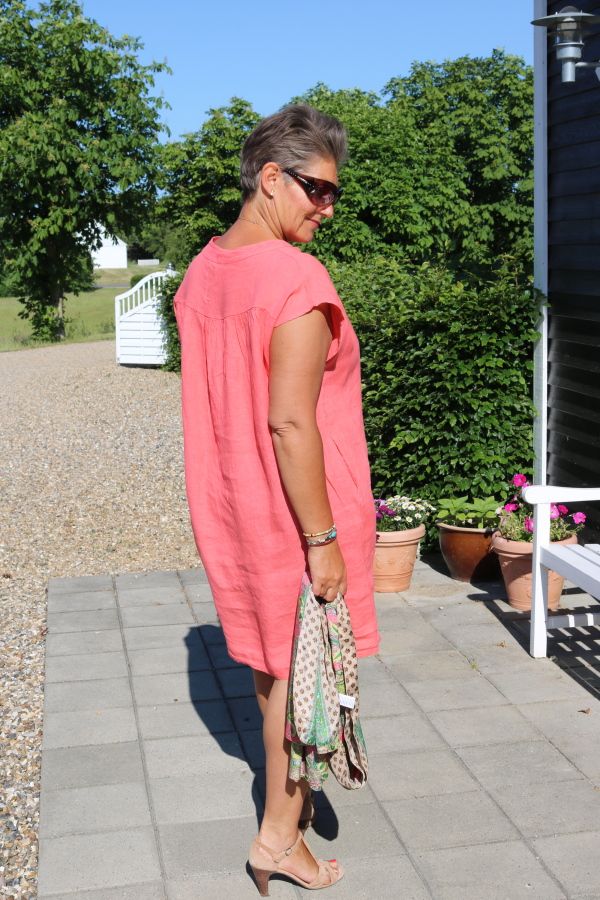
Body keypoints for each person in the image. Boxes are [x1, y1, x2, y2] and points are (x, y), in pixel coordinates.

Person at [174, 103, 379, 894]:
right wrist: (323, 540)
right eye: (316, 189)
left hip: (233, 506)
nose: (327, 207)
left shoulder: (203, 270)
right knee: (306, 680)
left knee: (274, 669)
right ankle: (277, 839)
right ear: (269, 178)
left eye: (334, 193)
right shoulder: (295, 278)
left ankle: (284, 815)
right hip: (297, 515)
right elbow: (291, 422)